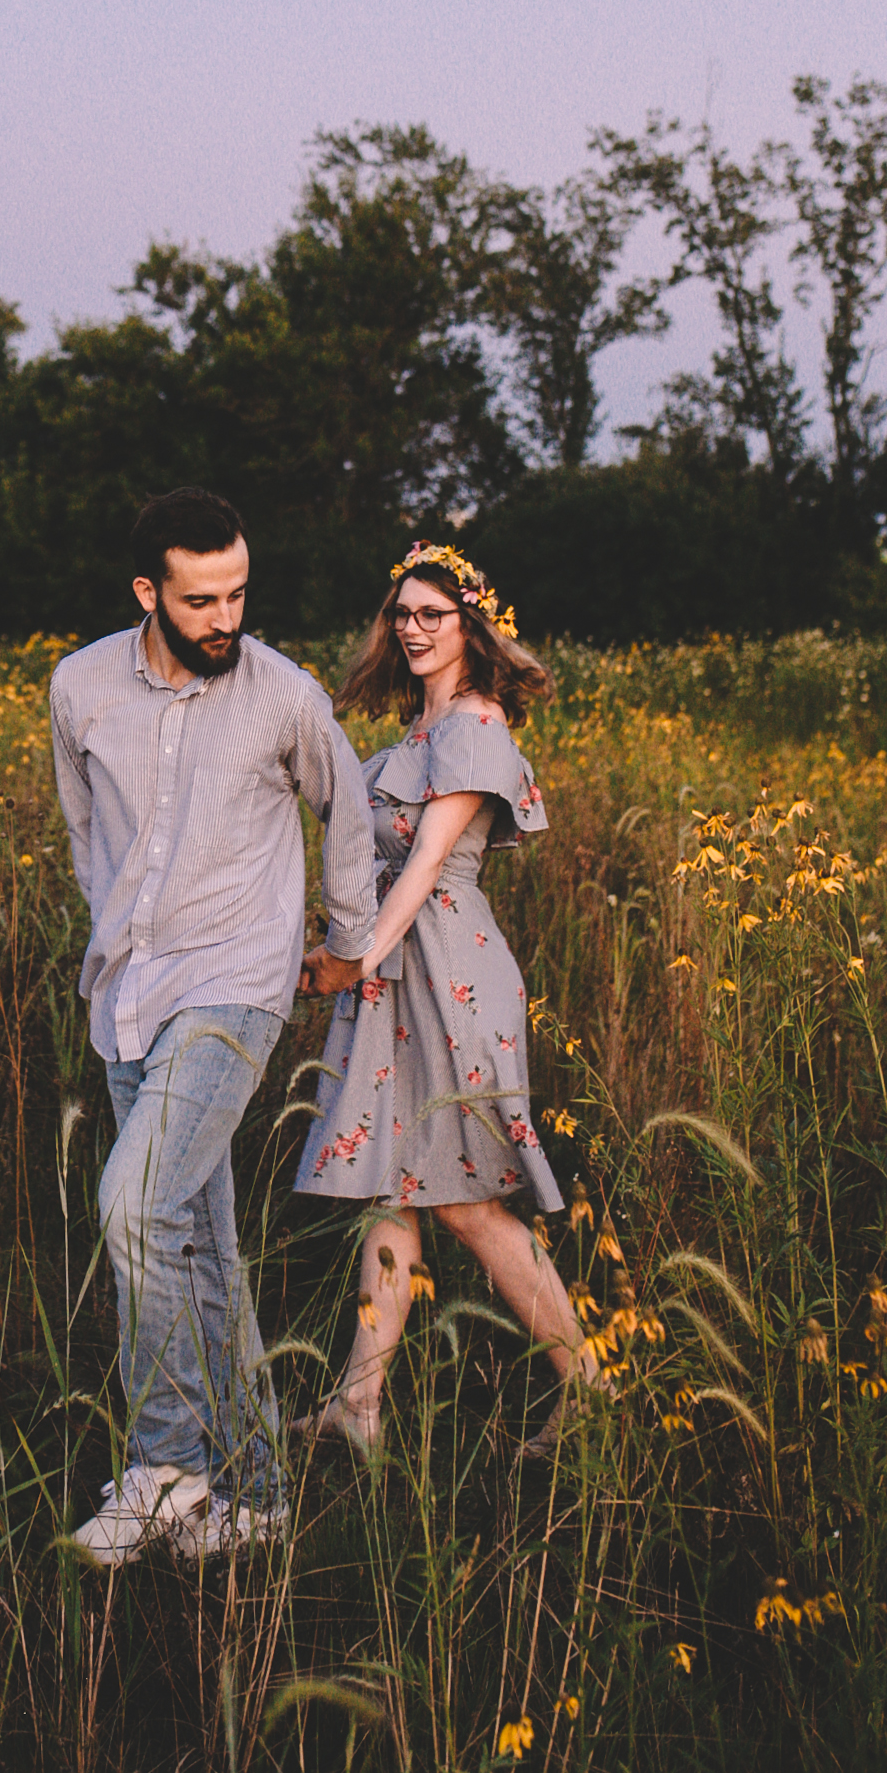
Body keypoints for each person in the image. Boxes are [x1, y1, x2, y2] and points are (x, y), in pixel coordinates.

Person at [49, 487, 378, 1564]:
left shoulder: (283, 695)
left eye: (237, 592)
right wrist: (111, 940)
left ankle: (163, 1467)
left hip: (234, 987)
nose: (224, 618)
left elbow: (348, 808)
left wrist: (343, 940)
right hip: (127, 994)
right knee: (196, 1239)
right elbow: (87, 829)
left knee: (133, 1208)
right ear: (147, 591)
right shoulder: (80, 687)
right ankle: (256, 1493)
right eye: (199, 600)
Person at [295, 540, 594, 1451]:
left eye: (436, 613)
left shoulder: (475, 725)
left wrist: (352, 957)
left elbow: (425, 868)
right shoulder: (419, 731)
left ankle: (588, 1392)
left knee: (467, 1203)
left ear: (471, 623)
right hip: (396, 969)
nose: (415, 628)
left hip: (446, 972)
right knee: (392, 1187)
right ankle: (359, 1406)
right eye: (404, 613)